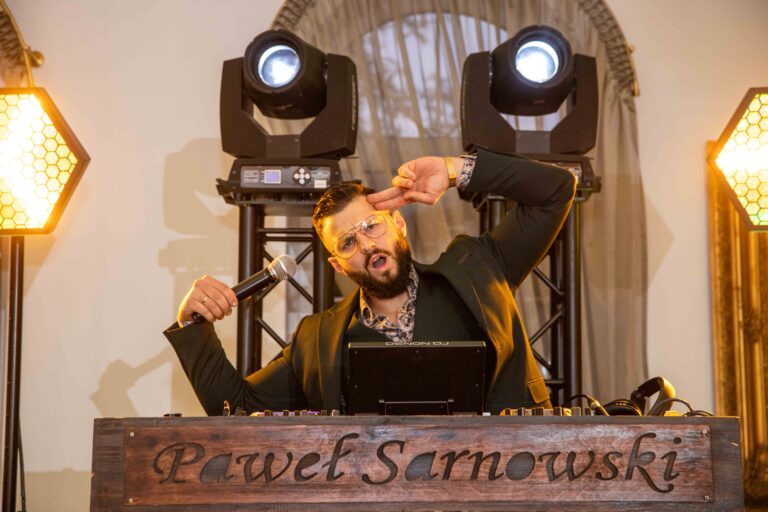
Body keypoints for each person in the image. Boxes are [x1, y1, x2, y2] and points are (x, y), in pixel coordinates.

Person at [165, 147, 576, 415]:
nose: (365, 244)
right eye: (348, 242)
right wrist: (192, 324)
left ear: (398, 223)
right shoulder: (316, 341)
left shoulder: (478, 269)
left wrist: (454, 170)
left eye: (371, 226)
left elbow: (556, 190)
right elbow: (236, 408)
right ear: (338, 265)